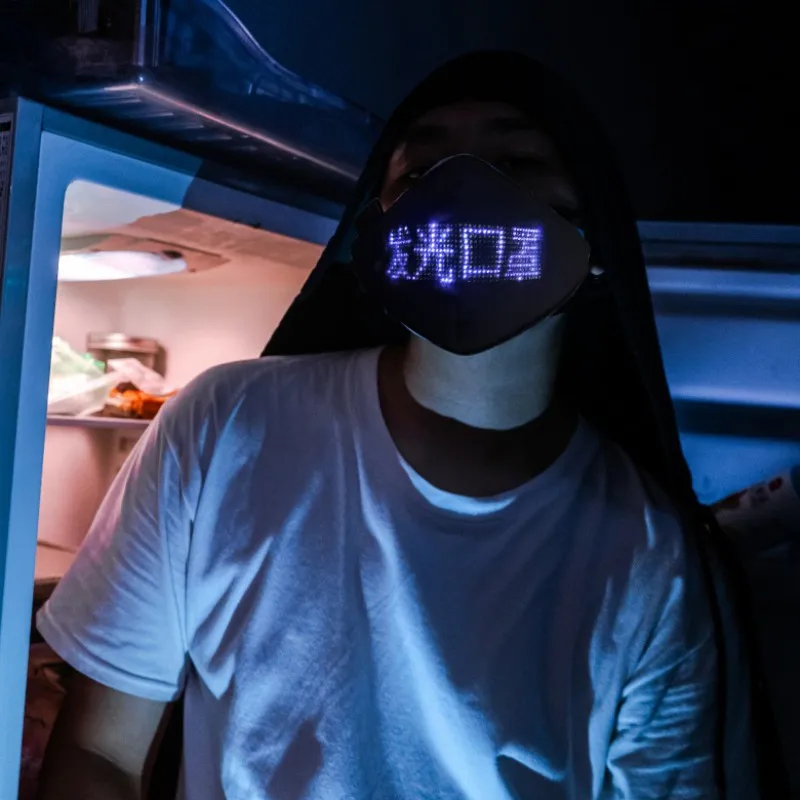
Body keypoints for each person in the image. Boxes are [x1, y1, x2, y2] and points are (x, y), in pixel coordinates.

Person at [37, 52, 773, 799]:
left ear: (599, 238)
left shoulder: (649, 556)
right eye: (422, 172)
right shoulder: (223, 428)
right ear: (378, 229)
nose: (464, 195)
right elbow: (99, 753)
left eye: (517, 162)